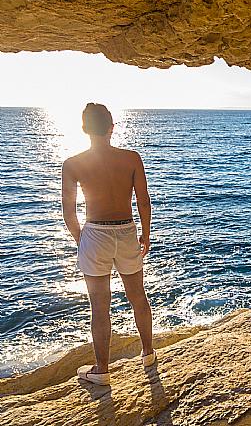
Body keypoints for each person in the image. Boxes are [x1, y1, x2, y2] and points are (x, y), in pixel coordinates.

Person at [61, 103, 154, 386]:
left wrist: (81, 239)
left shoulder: (73, 163)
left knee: (99, 305)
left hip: (95, 233)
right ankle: (148, 354)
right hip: (126, 230)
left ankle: (101, 370)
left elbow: (68, 211)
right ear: (112, 127)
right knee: (137, 295)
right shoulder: (131, 158)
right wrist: (146, 234)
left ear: (84, 129)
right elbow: (143, 200)